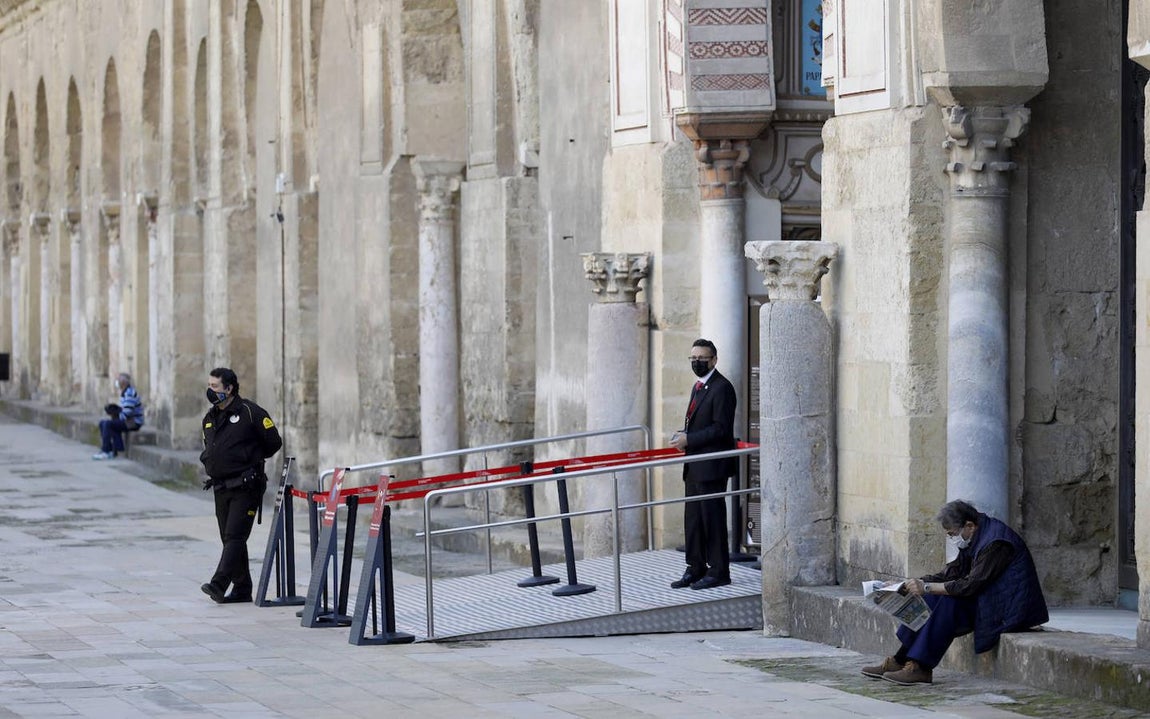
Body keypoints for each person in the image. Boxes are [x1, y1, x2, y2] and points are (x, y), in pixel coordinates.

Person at [862, 499, 1049, 686]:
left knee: (949, 602)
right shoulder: (975, 537)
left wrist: (926, 587)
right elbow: (951, 573)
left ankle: (921, 667)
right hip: (989, 599)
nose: (952, 538)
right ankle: (901, 659)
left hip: (1010, 610)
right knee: (931, 598)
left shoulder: (996, 542)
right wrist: (907, 584)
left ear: (969, 526)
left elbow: (971, 585)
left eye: (952, 534)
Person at [199, 367, 282, 604]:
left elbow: (273, 442)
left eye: (215, 386)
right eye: (209, 385)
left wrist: (251, 458)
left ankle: (218, 584)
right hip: (221, 486)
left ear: (229, 388)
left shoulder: (249, 412)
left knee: (235, 535)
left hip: (246, 486)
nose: (210, 390)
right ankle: (242, 588)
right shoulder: (210, 418)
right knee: (230, 539)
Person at [669, 338, 737, 590]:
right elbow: (698, 423)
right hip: (694, 466)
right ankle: (695, 566)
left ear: (714, 360)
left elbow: (721, 428)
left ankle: (719, 571)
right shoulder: (698, 387)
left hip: (711, 467)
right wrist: (684, 436)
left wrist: (690, 439)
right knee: (694, 520)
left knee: (712, 520)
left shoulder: (722, 388)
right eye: (693, 358)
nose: (697, 362)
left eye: (702, 358)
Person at [92, 373, 145, 460]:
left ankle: (106, 451)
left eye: (118, 380)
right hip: (128, 420)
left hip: (133, 422)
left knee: (108, 424)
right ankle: (111, 449)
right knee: (103, 423)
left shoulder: (129, 393)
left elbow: (127, 412)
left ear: (123, 382)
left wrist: (117, 415)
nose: (117, 382)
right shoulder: (124, 393)